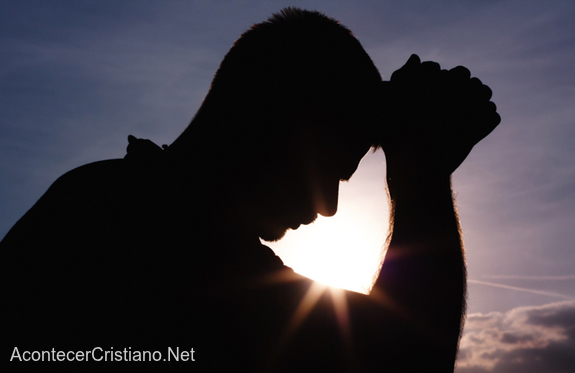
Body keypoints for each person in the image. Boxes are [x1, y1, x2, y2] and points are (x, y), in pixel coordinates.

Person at [1, 8, 500, 372]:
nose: (328, 207)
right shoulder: (152, 231)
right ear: (276, 123)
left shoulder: (108, 199)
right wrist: (422, 173)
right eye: (329, 171)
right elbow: (407, 363)